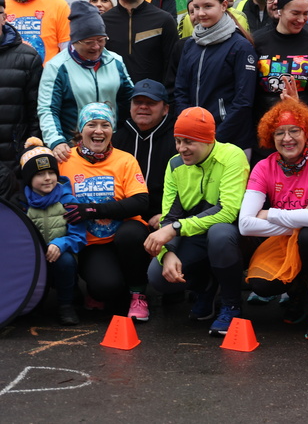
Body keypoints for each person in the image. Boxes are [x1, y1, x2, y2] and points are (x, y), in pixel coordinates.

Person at [240, 98, 308, 339]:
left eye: (294, 131)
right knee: (261, 284)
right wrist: (303, 219)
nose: (287, 138)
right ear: (271, 136)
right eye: (279, 132)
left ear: (307, 132)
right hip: (285, 239)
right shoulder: (263, 167)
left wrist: (271, 214)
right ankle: (299, 294)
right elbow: (245, 224)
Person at [145, 107, 250, 335]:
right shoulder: (174, 164)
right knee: (157, 275)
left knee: (219, 234)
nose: (182, 148)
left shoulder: (232, 156)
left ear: (208, 139)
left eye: (189, 142)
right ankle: (206, 288)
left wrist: (175, 228)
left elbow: (228, 211)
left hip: (230, 234)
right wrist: (168, 251)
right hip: (194, 234)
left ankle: (232, 304)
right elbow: (169, 215)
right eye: (178, 141)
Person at [58, 103, 151, 320]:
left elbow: (140, 201)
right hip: (92, 243)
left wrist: (91, 210)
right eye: (92, 124)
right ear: (81, 129)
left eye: (105, 125)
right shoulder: (64, 160)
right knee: (107, 289)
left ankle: (138, 294)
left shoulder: (125, 159)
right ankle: (106, 290)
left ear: (112, 131)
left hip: (125, 237)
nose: (99, 130)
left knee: (131, 233)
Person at [38, 1, 134, 163]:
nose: (96, 47)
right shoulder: (57, 67)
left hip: (112, 147)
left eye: (101, 40)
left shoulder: (115, 61)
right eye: (89, 42)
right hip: (73, 149)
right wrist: (56, 141)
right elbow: (47, 109)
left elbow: (130, 99)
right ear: (75, 41)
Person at [174, 0, 257, 152]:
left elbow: (243, 101)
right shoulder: (190, 45)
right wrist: (190, 129)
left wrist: (215, 137)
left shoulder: (240, 46)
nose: (200, 13)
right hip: (195, 141)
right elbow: (181, 91)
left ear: (224, 5)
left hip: (230, 144)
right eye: (196, 7)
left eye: (207, 6)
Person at [19, 138, 87, 325]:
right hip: (32, 257)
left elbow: (79, 237)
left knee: (65, 262)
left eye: (51, 172)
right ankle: (31, 302)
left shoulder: (69, 200)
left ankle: (66, 304)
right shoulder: (22, 204)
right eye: (40, 174)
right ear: (28, 178)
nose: (48, 178)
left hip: (60, 255)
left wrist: (61, 244)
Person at [254, 0, 308, 123]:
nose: (301, 20)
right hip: (265, 127)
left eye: (306, 13)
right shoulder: (258, 42)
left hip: (302, 126)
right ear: (280, 11)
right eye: (295, 13)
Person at [103, 0, 179, 91]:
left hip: (151, 103)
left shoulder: (163, 20)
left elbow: (173, 68)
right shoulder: (103, 22)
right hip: (113, 103)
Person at [112, 79, 176, 229]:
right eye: (137, 102)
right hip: (123, 217)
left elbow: (188, 187)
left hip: (165, 218)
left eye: (151, 103)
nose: (143, 107)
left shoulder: (178, 141)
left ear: (165, 109)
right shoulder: (117, 139)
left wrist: (169, 214)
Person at [0, 0, 43, 182]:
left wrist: (28, 153)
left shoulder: (27, 57)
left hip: (14, 162)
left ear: (4, 17)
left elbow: (36, 112)